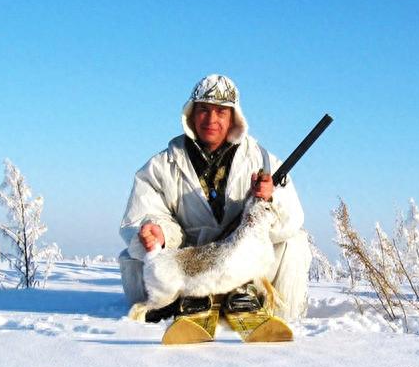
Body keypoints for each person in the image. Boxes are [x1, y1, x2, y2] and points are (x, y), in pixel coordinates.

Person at [118, 74, 312, 320]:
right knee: (137, 255)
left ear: (233, 117)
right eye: (204, 110)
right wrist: (158, 233)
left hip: (241, 268)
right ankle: (177, 307)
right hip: (189, 267)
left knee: (294, 242)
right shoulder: (160, 166)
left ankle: (282, 320)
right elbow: (139, 216)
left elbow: (292, 219)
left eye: (221, 112)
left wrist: (270, 200)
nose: (211, 119)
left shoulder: (263, 161)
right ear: (191, 114)